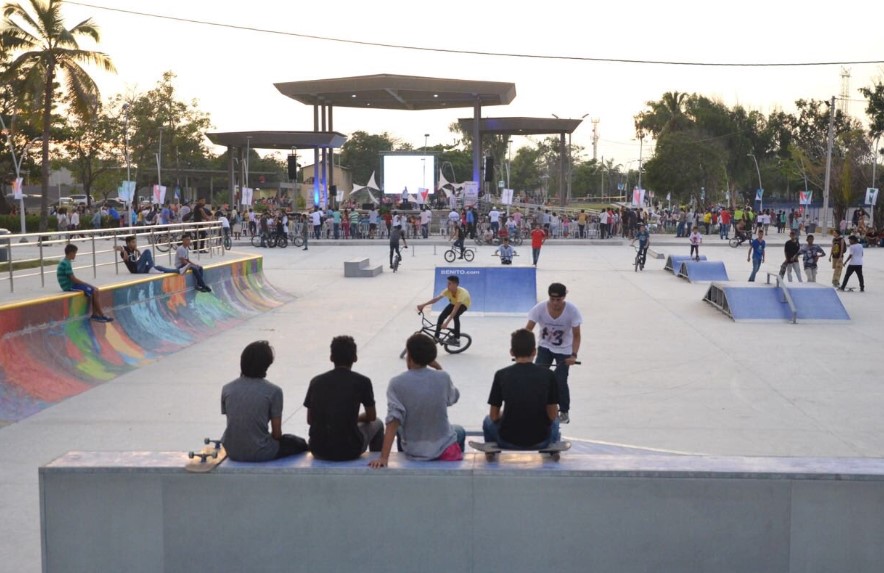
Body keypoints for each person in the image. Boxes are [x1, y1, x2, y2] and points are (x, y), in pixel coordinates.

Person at [368, 333, 464, 468]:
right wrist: (439, 368)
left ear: (410, 357)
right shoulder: (443, 377)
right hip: (443, 447)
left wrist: (384, 457)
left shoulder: (396, 383)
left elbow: (393, 421)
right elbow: (453, 398)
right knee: (459, 431)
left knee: (401, 429)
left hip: (413, 450)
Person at [221, 341, 308, 462]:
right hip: (261, 452)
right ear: (266, 365)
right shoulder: (274, 391)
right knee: (299, 443)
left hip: (232, 451)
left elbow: (236, 421)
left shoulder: (227, 389)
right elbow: (277, 434)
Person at [303, 336, 384, 461]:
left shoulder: (316, 382)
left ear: (331, 357)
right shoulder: (362, 382)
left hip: (318, 449)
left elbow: (310, 420)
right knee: (378, 423)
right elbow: (371, 416)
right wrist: (353, 418)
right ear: (355, 358)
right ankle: (377, 464)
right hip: (350, 449)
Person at [482, 329, 560, 449]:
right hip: (540, 441)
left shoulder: (501, 375)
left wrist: (505, 414)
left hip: (507, 440)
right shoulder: (548, 375)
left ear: (512, 352)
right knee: (555, 421)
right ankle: (552, 450)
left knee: (487, 421)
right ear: (534, 351)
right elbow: (552, 415)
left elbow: (493, 416)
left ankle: (491, 451)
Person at [525, 283, 582, 424]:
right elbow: (527, 331)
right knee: (538, 377)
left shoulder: (572, 311)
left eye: (559, 300)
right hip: (545, 347)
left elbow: (577, 336)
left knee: (560, 380)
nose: (555, 303)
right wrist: (525, 350)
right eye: (552, 299)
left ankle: (563, 411)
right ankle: (537, 406)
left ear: (564, 297)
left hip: (564, 351)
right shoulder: (539, 308)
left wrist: (573, 355)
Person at [57, 244, 114, 322]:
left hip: (70, 284)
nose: (75, 255)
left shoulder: (65, 262)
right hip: (69, 286)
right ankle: (101, 315)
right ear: (71, 253)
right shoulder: (66, 263)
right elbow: (73, 279)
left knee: (95, 290)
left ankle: (95, 315)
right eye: (75, 253)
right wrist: (87, 284)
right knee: (94, 290)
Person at [417, 275, 470, 346]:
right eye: (447, 283)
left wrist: (446, 323)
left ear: (455, 284)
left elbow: (454, 310)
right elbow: (436, 299)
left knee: (455, 316)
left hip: (463, 304)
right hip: (453, 303)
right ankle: (436, 337)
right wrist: (423, 305)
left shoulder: (461, 293)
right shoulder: (447, 291)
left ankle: (456, 339)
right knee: (441, 316)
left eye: (449, 283)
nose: (447, 285)